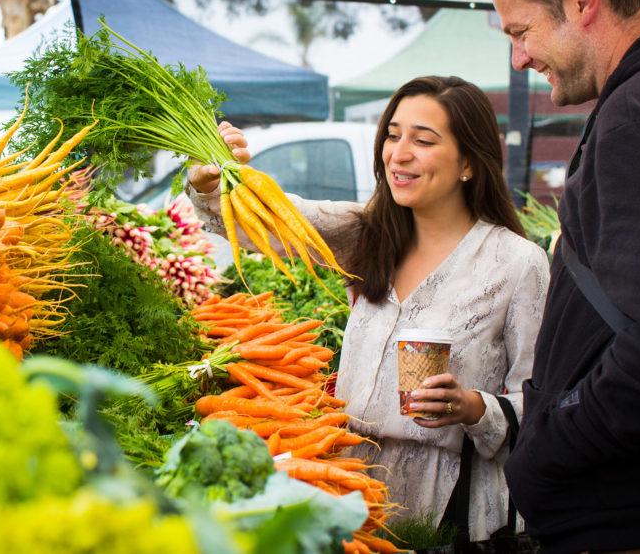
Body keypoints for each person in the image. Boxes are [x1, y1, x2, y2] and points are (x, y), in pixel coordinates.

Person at [186, 76, 549, 540]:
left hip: (453, 512)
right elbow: (272, 219)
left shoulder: (517, 264)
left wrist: (473, 407)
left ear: (469, 163)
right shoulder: (366, 235)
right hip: (349, 493)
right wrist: (211, 180)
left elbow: (541, 406)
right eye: (393, 135)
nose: (398, 154)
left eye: (423, 140)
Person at [466, 0, 640, 553]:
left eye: (521, 31)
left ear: (583, 0)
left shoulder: (639, 113)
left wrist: (550, 447)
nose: (520, 58)